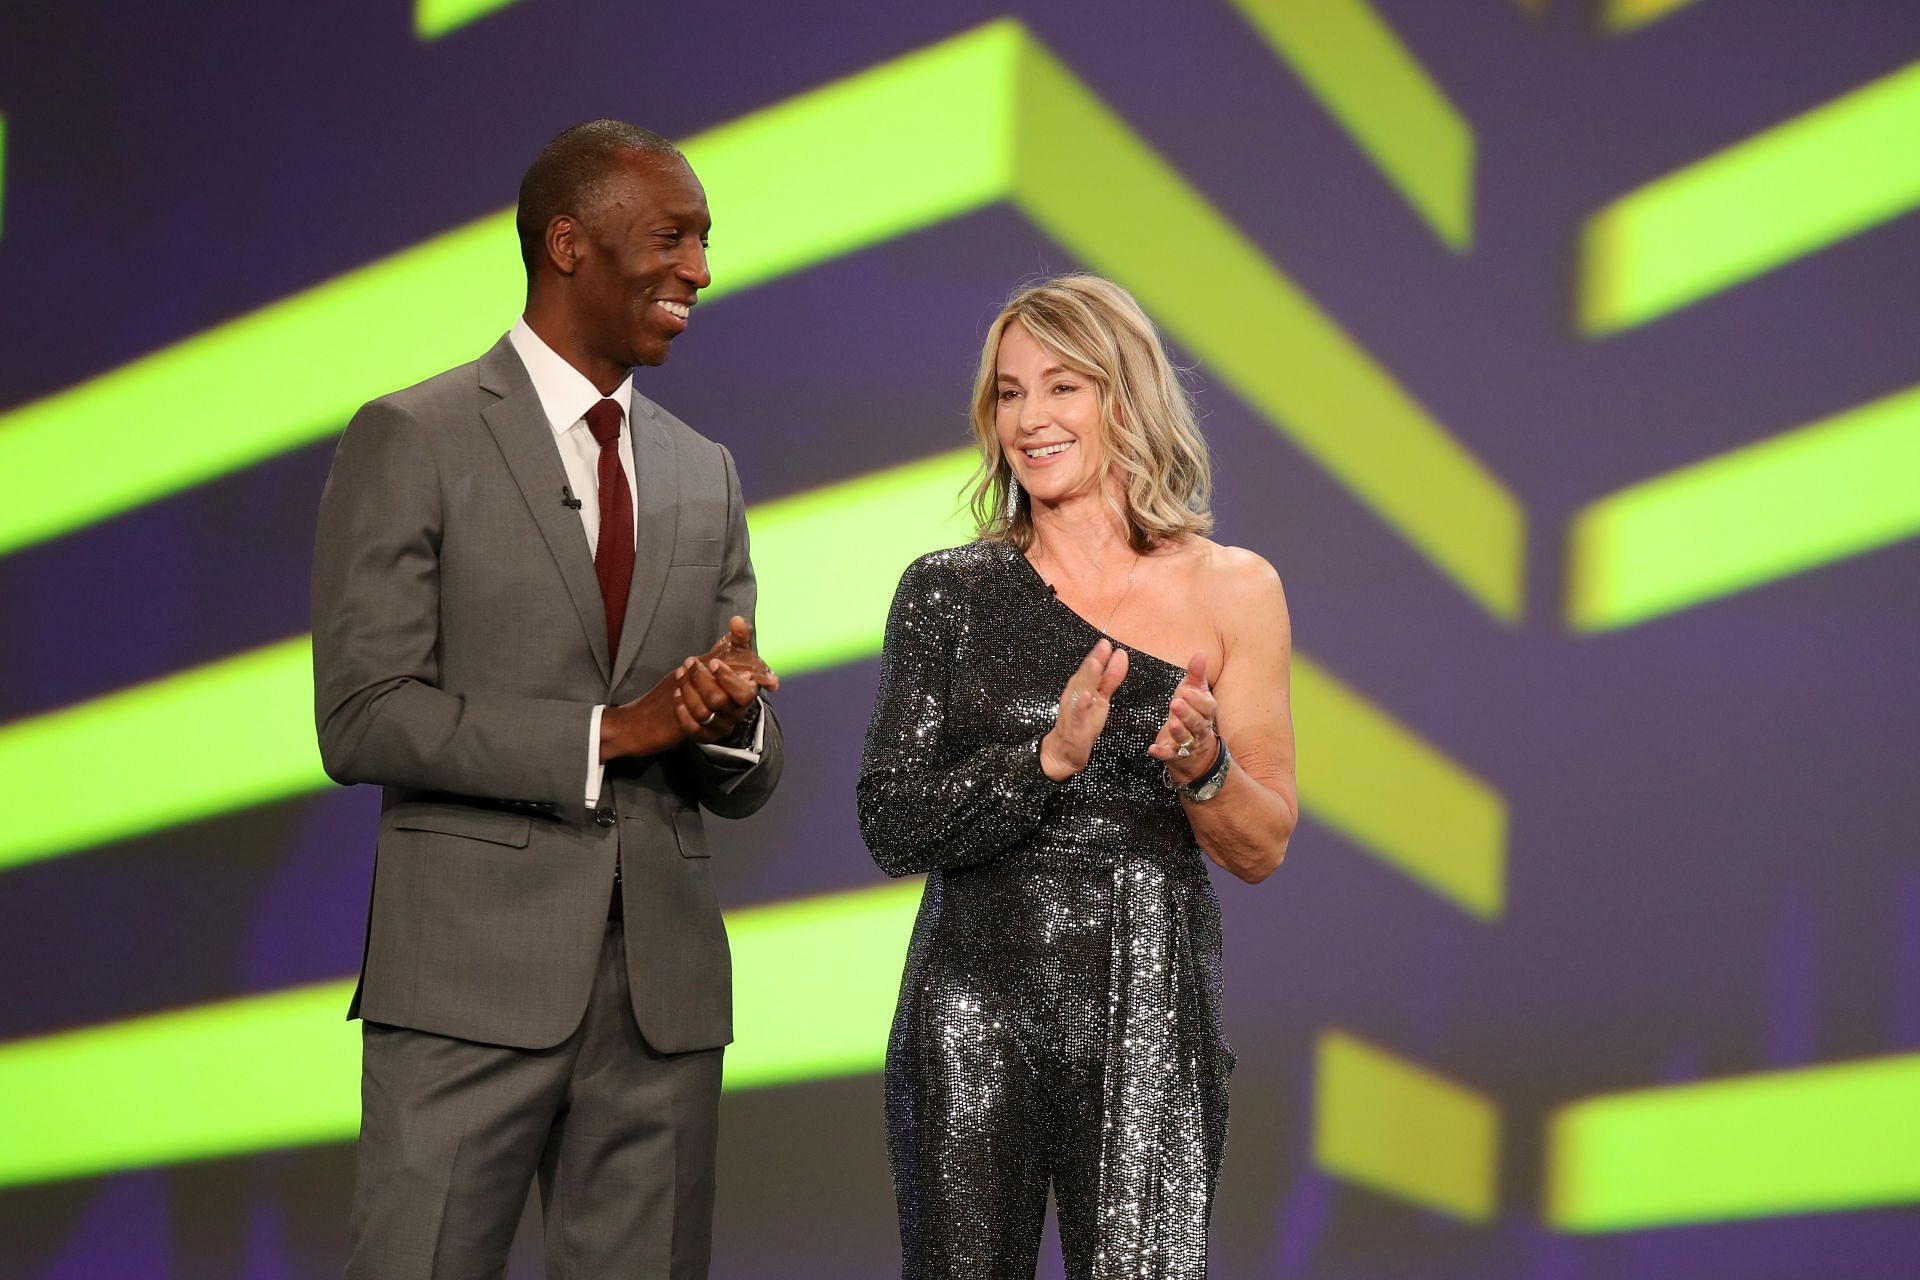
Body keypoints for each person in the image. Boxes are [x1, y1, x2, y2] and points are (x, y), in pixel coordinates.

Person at [311, 119, 783, 1279]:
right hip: (465, 988)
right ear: (568, 243)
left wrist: (730, 721)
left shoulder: (702, 469)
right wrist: (611, 733)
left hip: (659, 1005)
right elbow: (362, 712)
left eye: (706, 242)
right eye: (672, 237)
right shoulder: (411, 438)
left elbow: (746, 760)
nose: (700, 272)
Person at [857, 274, 1297, 1278]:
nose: (1030, 418)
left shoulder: (1235, 587)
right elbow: (892, 820)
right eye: (1008, 393)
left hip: (1150, 1002)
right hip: (971, 1009)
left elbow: (1263, 842)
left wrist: (1204, 765)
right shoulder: (948, 591)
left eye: (1061, 386)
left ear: (1123, 396)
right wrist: (1046, 758)